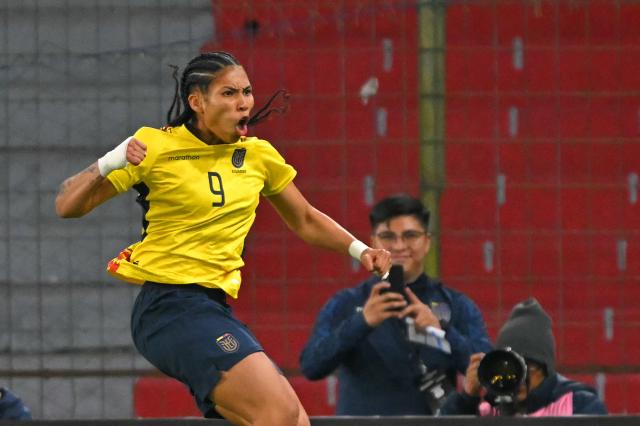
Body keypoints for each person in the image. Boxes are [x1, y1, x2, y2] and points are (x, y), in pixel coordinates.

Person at [55, 51, 391, 426]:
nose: (243, 102)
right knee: (276, 414)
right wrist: (111, 160)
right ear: (197, 101)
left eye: (246, 91)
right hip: (168, 308)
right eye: (229, 93)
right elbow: (67, 205)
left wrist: (361, 250)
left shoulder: (257, 156)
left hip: (211, 307)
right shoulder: (155, 147)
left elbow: (306, 218)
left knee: (296, 420)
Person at [299, 194, 493, 415]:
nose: (399, 246)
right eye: (388, 236)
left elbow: (488, 371)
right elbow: (311, 366)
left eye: (410, 235)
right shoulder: (346, 303)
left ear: (427, 241)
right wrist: (362, 322)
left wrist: (443, 332)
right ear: (372, 242)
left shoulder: (456, 305)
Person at [439, 297, 608, 416]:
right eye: (508, 367)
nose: (516, 378)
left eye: (525, 366)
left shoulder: (578, 405)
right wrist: (466, 399)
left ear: (544, 368)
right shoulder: (488, 409)